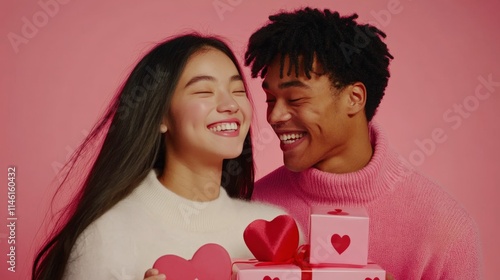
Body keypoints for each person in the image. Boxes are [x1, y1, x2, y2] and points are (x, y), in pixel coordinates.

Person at [244, 7, 482, 280]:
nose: (274, 116)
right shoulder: (252, 209)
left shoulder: (445, 230)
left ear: (354, 98)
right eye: (270, 100)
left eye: (295, 99)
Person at [32, 33, 289, 280]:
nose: (230, 104)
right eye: (204, 91)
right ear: (161, 116)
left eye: (238, 90)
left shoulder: (277, 232)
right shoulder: (106, 237)